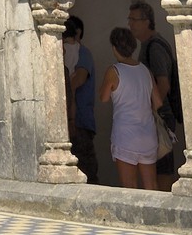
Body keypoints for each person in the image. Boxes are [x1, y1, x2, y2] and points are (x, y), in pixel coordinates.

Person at [100, 25, 163, 191]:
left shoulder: (114, 71)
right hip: (148, 134)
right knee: (151, 185)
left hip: (125, 135)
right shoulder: (145, 70)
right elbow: (158, 103)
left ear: (114, 48)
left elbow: (104, 98)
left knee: (129, 187)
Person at [128, 1, 182, 190]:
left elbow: (163, 84)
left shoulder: (155, 47)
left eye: (134, 20)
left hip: (160, 116)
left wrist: (152, 109)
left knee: (162, 167)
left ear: (147, 21)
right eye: (130, 19)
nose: (131, 24)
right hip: (154, 114)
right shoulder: (146, 45)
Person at [62, 15, 98, 184]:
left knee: (86, 168)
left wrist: (66, 91)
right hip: (70, 119)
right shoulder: (73, 50)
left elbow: (80, 79)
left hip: (80, 121)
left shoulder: (83, 53)